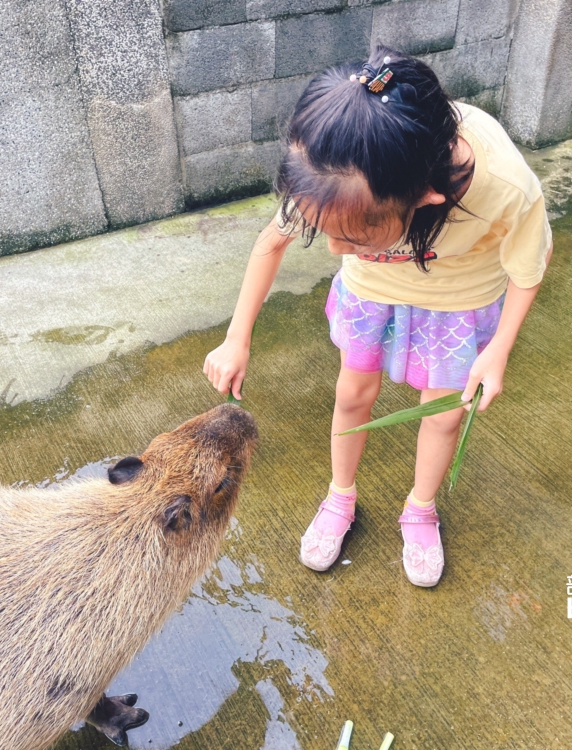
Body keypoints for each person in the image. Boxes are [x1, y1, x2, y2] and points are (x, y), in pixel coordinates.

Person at [203, 45, 553, 587]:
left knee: (442, 414)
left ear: (427, 198)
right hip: (374, 292)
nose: (336, 251)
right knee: (352, 396)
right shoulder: (333, 166)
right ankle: (341, 496)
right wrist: (236, 338)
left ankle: (421, 508)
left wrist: (498, 349)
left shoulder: (504, 185)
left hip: (459, 299)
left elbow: (530, 267)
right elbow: (270, 244)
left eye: (355, 235)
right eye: (329, 232)